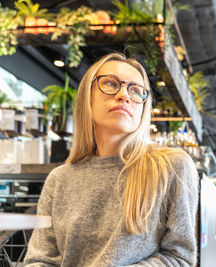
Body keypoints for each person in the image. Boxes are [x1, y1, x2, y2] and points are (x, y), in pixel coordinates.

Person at [24, 53, 199, 266]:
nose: (124, 95)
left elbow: (180, 256)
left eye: (135, 90)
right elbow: (41, 258)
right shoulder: (60, 179)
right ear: (87, 97)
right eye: (110, 83)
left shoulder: (171, 167)